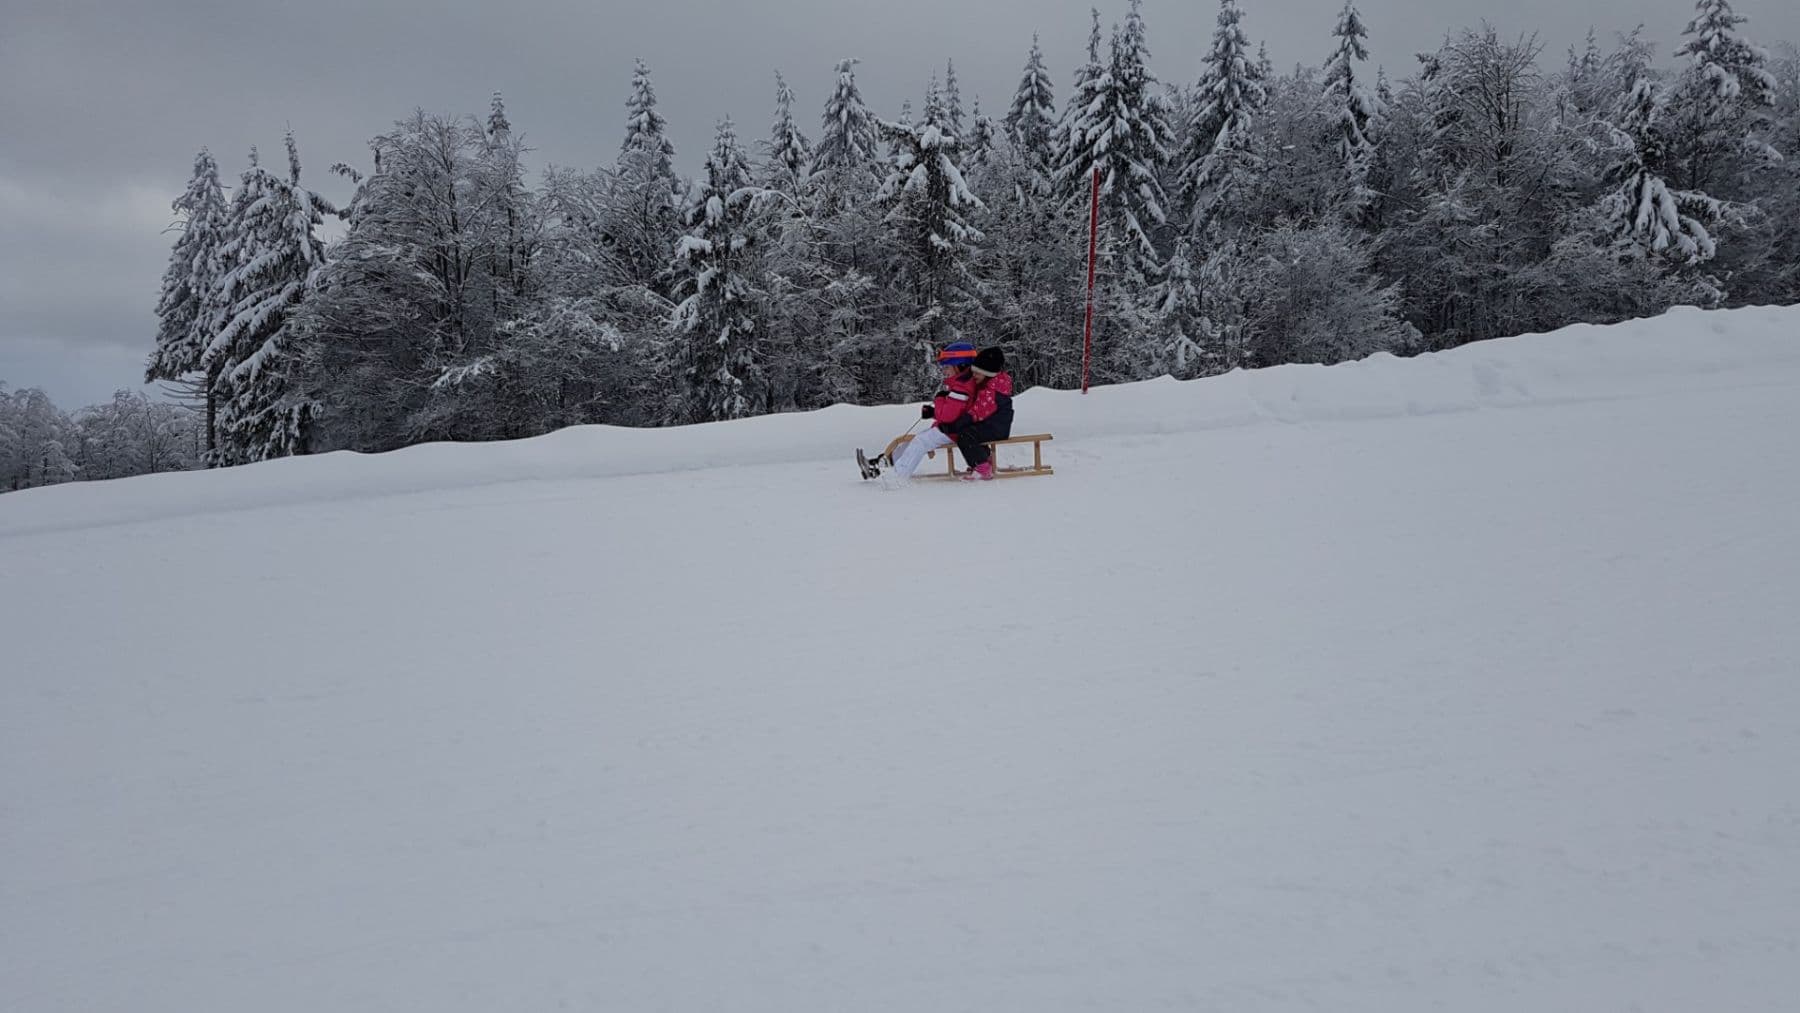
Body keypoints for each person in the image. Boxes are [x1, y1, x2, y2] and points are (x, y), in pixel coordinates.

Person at [875, 342, 980, 481]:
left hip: (955, 431)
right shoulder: (961, 385)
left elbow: (948, 416)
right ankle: (885, 464)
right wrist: (932, 412)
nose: (944, 371)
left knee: (921, 442)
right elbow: (952, 412)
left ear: (961, 366)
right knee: (914, 440)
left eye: (947, 367)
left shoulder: (961, 388)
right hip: (952, 428)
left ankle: (897, 476)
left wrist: (939, 400)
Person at [937, 346, 1013, 481]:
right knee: (970, 432)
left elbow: (977, 413)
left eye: (978, 373)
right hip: (993, 425)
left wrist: (954, 426)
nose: (974, 376)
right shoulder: (990, 385)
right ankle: (984, 460)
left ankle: (982, 468)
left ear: (988, 373)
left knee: (965, 435)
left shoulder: (991, 392)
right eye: (973, 372)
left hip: (997, 428)